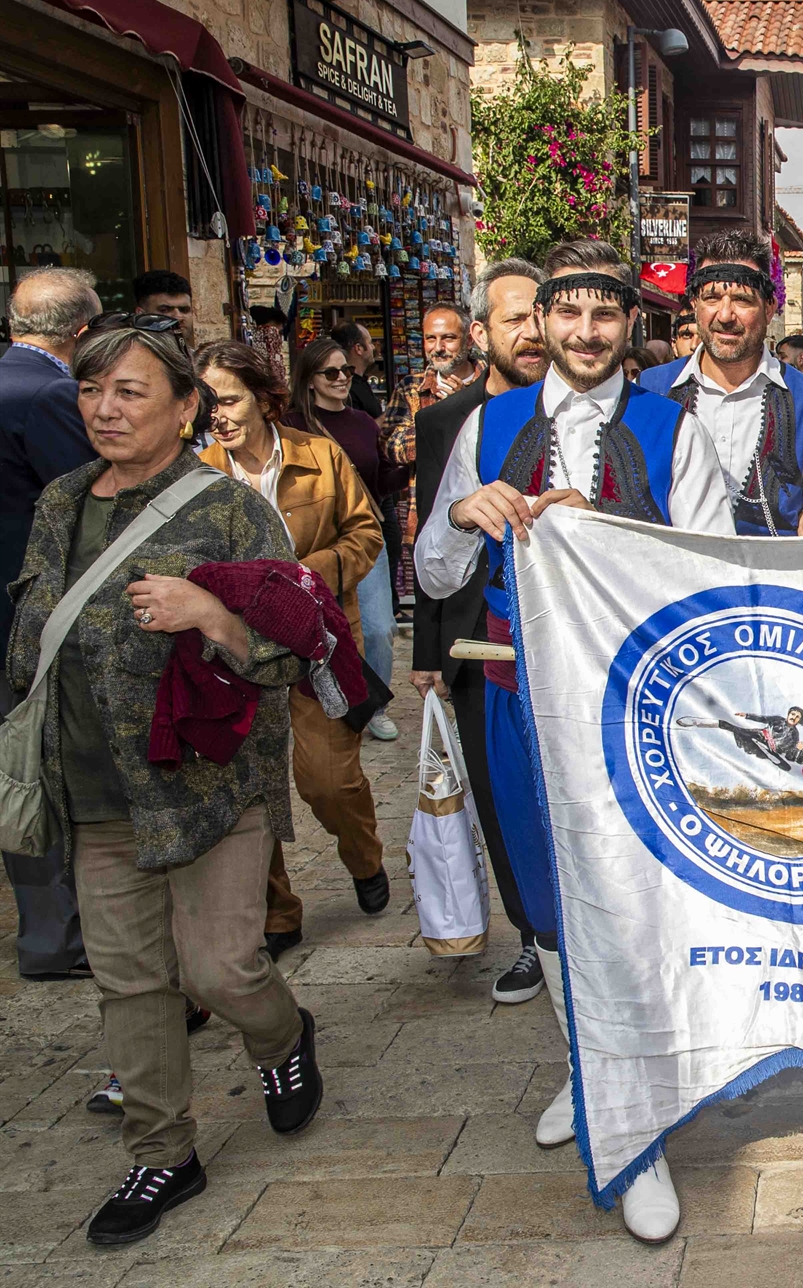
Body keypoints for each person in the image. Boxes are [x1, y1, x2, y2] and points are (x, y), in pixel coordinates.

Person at [416, 239, 733, 1244]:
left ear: (627, 324)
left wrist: (610, 537)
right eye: (569, 315)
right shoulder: (487, 424)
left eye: (605, 316)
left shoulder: (672, 430)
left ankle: (634, 1120)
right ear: (538, 322)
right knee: (548, 903)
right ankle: (589, 1072)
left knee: (631, 898)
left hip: (633, 700)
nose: (587, 333)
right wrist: (465, 514)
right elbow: (429, 574)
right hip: (514, 689)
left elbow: (719, 567)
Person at [11, 325, 324, 1245]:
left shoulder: (227, 509)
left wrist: (213, 615)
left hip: (209, 788)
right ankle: (162, 1152)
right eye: (93, 391)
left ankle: (281, 1036)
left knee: (219, 967)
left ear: (186, 408)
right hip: (97, 791)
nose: (106, 408)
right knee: (130, 980)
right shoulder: (61, 502)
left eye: (131, 392)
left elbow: (294, 637)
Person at [195, 342, 387, 957]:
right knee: (250, 787)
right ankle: (278, 912)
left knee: (328, 780)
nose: (218, 415)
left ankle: (364, 859)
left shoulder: (320, 456)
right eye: (207, 403)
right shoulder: (199, 472)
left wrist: (311, 576)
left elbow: (366, 533)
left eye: (228, 399)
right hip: (236, 648)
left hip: (320, 641)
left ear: (264, 397)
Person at [411, 259, 551, 1004]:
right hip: (476, 641)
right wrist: (426, 653)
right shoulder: (446, 422)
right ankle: (529, 936)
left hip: (565, 643)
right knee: (499, 799)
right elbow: (431, 532)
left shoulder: (583, 417)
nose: (531, 333)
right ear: (480, 333)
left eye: (540, 316)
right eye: (514, 320)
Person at [1, 265, 100, 981]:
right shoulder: (50, 396)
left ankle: (46, 933)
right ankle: (63, 936)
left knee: (16, 774)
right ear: (83, 332)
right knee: (46, 771)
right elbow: (91, 504)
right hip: (32, 623)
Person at [637, 231, 803, 537]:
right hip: (672, 580)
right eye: (712, 298)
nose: (725, 315)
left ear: (769, 308)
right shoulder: (651, 389)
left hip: (772, 580)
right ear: (694, 304)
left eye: (742, 300)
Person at [286, 338, 399, 742]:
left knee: (378, 628)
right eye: (330, 372)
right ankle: (330, 705)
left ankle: (375, 706)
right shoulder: (293, 425)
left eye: (346, 371)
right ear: (310, 379)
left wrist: (413, 464)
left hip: (363, 533)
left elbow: (381, 480)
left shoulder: (364, 422)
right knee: (322, 629)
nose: (341, 379)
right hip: (314, 541)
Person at [381, 305, 478, 621]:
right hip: (428, 513)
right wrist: (443, 417)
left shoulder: (491, 385)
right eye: (430, 338)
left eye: (448, 338)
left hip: (481, 514)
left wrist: (467, 403)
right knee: (435, 613)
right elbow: (390, 445)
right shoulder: (412, 388)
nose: (438, 347)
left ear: (469, 339)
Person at [327, 323, 382, 419]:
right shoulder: (347, 387)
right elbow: (358, 430)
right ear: (359, 348)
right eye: (370, 343)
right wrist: (393, 411)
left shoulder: (361, 381)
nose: (373, 347)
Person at [130, 270, 194, 344]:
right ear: (141, 315)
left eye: (185, 310)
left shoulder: (196, 354)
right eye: (165, 310)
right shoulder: (128, 354)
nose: (178, 317)